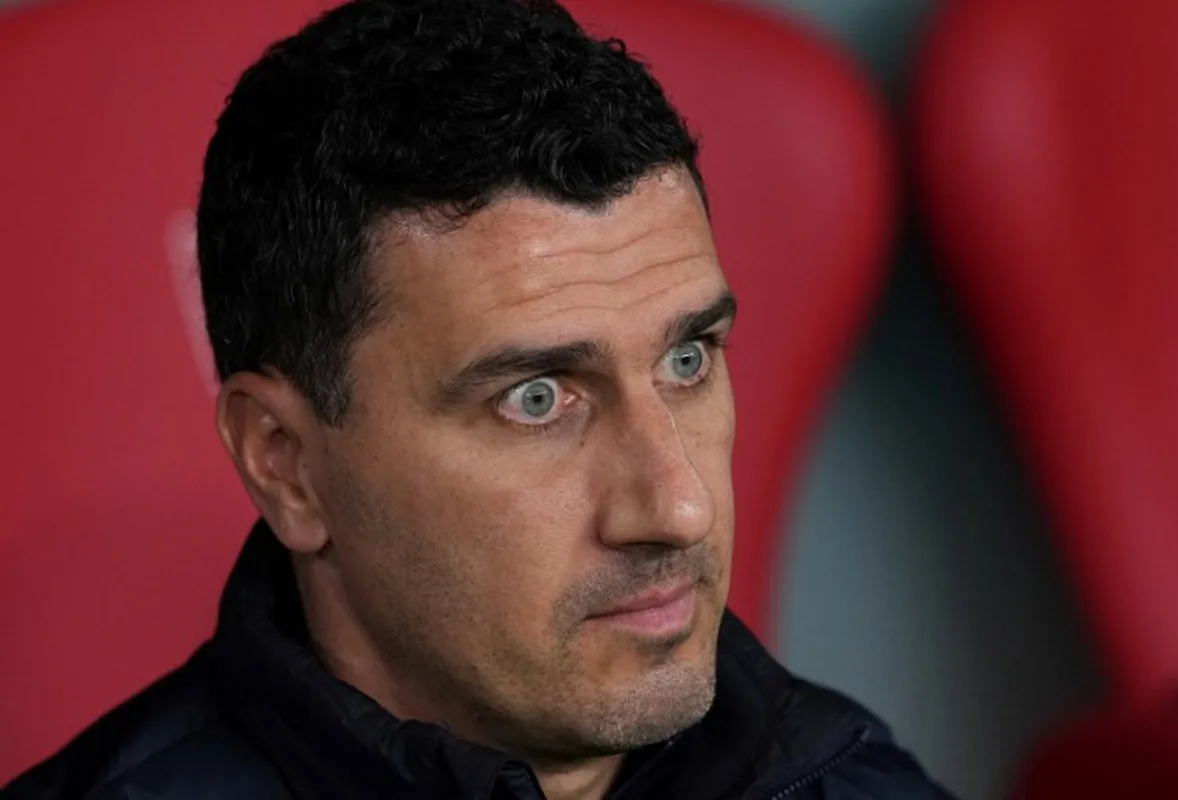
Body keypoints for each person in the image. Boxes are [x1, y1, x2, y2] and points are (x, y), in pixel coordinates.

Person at [3, 1, 954, 797]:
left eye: (688, 360)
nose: (678, 506)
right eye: (537, 399)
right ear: (284, 463)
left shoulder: (857, 779)